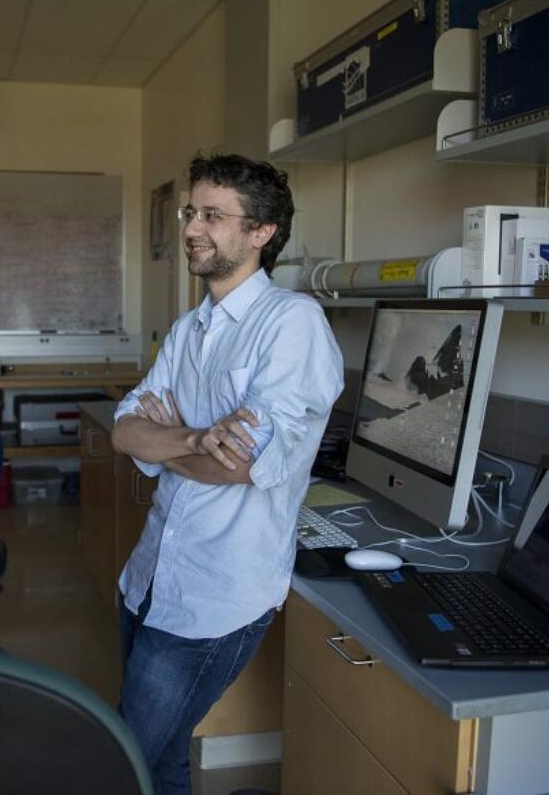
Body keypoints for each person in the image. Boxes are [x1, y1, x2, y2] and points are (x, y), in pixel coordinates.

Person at [112, 153, 344, 794]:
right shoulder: (189, 331)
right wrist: (191, 436)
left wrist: (168, 446)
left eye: (213, 215)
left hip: (214, 598)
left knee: (123, 757)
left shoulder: (293, 326)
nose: (192, 228)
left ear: (262, 232)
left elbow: (240, 464)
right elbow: (124, 428)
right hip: (147, 579)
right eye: (193, 212)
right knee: (158, 762)